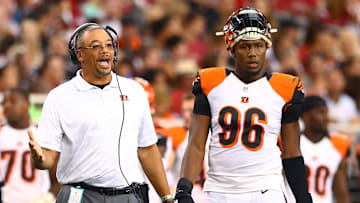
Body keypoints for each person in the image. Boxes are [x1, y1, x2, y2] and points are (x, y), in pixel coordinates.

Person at [175, 7, 312, 203]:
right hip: (219, 189)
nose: (252, 53)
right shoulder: (211, 83)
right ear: (231, 48)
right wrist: (184, 188)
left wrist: (303, 197)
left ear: (267, 46)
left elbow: (291, 152)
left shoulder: (285, 88)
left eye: (258, 45)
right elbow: (196, 144)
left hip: (266, 189)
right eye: (245, 46)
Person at [28, 23, 174, 203]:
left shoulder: (135, 91)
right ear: (79, 54)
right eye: (96, 46)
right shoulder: (59, 97)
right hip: (79, 196)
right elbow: (47, 157)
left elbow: (147, 149)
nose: (105, 51)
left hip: (127, 196)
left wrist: (166, 197)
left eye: (109, 45)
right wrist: (38, 159)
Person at [0, 88, 59, 203]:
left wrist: (48, 197)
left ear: (27, 104)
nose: (7, 106)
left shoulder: (43, 135)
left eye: (12, 101)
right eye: (4, 102)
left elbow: (58, 177)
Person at [295, 96, 351, 203]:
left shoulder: (338, 144)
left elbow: (341, 191)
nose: (326, 117)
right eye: (320, 112)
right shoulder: (290, 143)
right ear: (305, 116)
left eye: (326, 112)